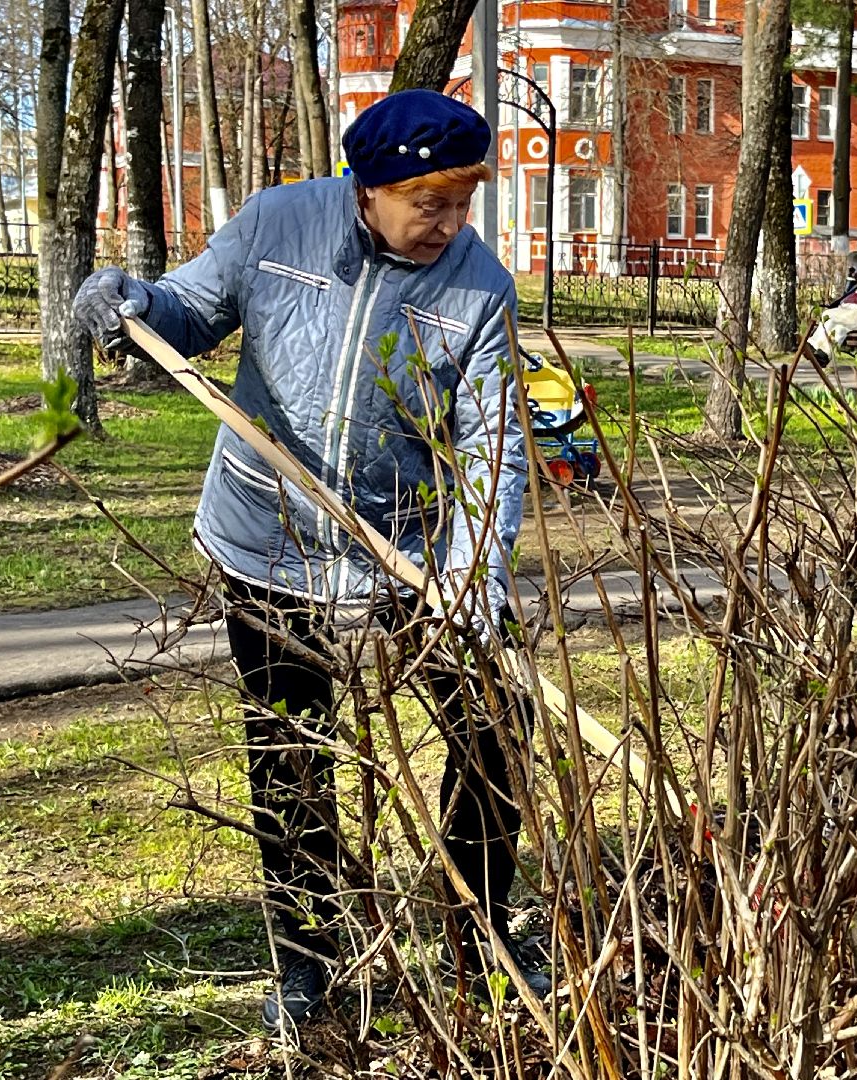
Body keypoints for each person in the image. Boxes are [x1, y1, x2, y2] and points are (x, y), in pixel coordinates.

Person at [71, 89, 543, 1034]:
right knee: (290, 755)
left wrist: (471, 572)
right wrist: (134, 301)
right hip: (266, 537)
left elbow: (493, 440)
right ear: (369, 187)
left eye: (461, 205)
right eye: (430, 205)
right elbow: (191, 311)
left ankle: (476, 938)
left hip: (406, 548)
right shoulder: (277, 222)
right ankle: (308, 961)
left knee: (495, 723)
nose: (447, 226)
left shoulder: (479, 286)